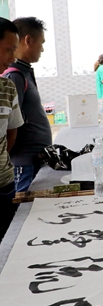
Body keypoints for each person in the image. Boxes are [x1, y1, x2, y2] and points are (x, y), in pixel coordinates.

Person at [3, 17, 51, 192]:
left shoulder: (23, 72)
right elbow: (9, 126)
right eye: (41, 43)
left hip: (33, 160)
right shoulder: (13, 76)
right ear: (28, 40)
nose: (42, 49)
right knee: (24, 206)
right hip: (24, 162)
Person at [0, 18, 24, 242]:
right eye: (9, 50)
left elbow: (11, 131)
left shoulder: (7, 87)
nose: (13, 58)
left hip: (5, 185)